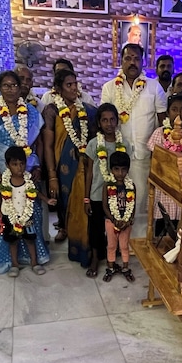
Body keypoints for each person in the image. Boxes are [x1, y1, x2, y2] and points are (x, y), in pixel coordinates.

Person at [0, 70, 49, 274]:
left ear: (20, 88)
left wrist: (38, 166)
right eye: (6, 85)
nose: (10, 89)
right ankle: (9, 261)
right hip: (2, 168)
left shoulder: (30, 111)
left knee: (31, 212)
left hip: (27, 168)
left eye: (14, 85)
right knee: (5, 213)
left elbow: (38, 143)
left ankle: (33, 258)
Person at [100, 43, 167, 238]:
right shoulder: (109, 87)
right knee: (116, 200)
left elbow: (163, 124)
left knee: (141, 200)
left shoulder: (154, 87)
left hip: (144, 156)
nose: (132, 62)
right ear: (121, 61)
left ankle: (138, 243)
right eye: (128, 58)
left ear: (143, 62)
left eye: (137, 58)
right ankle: (117, 242)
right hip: (117, 157)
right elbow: (105, 119)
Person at [42, 68, 96, 262]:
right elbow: (48, 146)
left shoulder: (87, 110)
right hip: (62, 169)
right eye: (69, 85)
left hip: (84, 167)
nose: (74, 88)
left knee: (85, 206)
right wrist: (52, 176)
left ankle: (85, 248)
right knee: (66, 206)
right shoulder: (52, 110)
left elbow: (93, 141)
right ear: (58, 89)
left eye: (75, 84)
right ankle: (71, 242)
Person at [147, 93, 182, 237]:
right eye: (174, 109)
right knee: (161, 224)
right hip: (163, 185)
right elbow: (154, 159)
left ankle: (178, 248)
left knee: (181, 226)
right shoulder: (160, 132)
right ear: (168, 111)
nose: (178, 113)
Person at [0, 146, 47, 277]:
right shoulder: (5, 181)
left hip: (26, 216)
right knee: (13, 241)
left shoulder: (28, 180)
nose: (19, 167)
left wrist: (47, 200)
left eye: (22, 164)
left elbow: (35, 192)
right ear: (7, 165)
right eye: (15, 164)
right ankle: (15, 265)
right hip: (9, 216)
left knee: (30, 240)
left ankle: (34, 263)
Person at [84, 103, 123, 278]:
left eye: (112, 119)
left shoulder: (123, 144)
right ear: (99, 123)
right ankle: (95, 258)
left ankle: (112, 257)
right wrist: (86, 198)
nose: (109, 124)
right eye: (105, 120)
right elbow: (89, 173)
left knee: (115, 227)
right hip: (96, 194)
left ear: (117, 121)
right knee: (95, 228)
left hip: (117, 194)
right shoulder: (93, 144)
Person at [102, 150, 136, 282]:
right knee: (111, 246)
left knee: (124, 246)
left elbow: (133, 205)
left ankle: (125, 268)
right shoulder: (107, 185)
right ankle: (110, 268)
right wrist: (113, 219)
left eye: (123, 170)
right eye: (116, 169)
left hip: (126, 223)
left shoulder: (131, 186)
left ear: (128, 170)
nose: (120, 173)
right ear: (111, 170)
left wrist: (129, 220)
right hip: (111, 222)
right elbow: (105, 206)